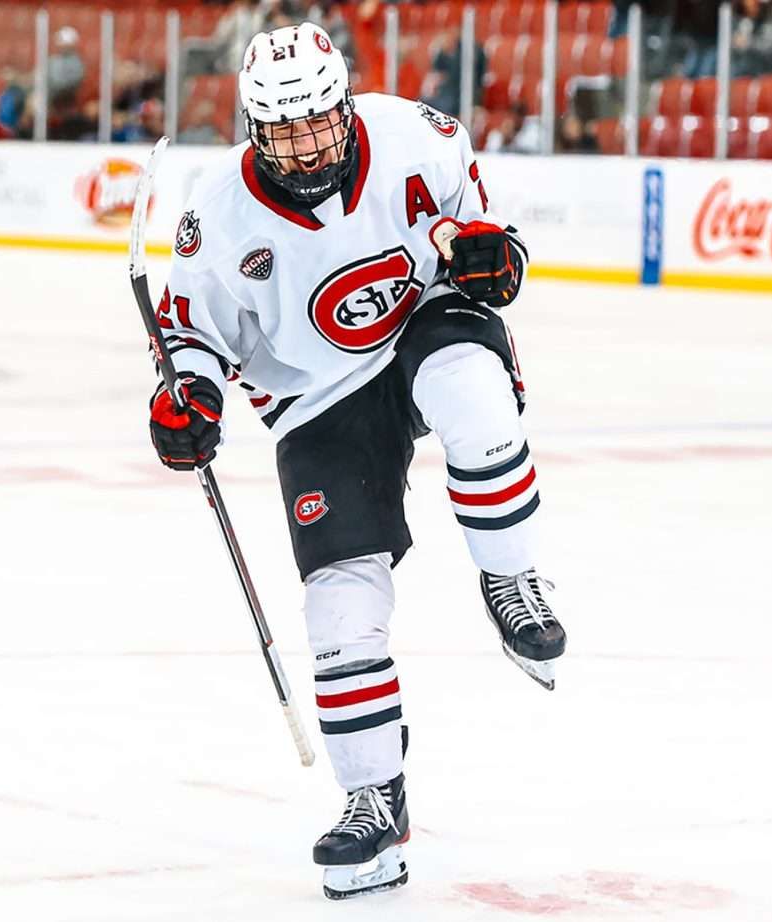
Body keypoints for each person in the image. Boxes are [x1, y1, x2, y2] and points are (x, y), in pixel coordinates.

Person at [146, 21, 566, 901]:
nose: (307, 144)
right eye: (285, 129)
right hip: (314, 391)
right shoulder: (214, 215)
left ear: (343, 102)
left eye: (319, 121)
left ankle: (511, 578)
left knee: (474, 399)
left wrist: (496, 260)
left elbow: (488, 234)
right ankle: (375, 801)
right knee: (340, 606)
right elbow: (188, 337)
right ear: (254, 128)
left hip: (425, 321)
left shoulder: (421, 135)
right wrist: (187, 402)